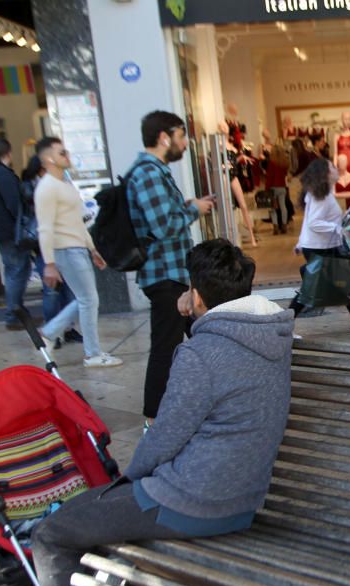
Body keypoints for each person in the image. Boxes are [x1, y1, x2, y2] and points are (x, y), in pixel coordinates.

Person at [31, 238, 293, 586]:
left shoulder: (200, 354)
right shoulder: (273, 336)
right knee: (97, 512)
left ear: (199, 296)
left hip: (189, 502)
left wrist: (130, 478)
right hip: (243, 502)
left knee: (51, 534)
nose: (183, 298)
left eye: (188, 290)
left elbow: (164, 439)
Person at [127, 110, 216, 426]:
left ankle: (217, 395)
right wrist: (194, 210)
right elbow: (164, 226)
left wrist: (189, 205)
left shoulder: (154, 172)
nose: (185, 143)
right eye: (181, 135)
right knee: (167, 347)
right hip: (163, 275)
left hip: (171, 273)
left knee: (204, 333)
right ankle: (153, 419)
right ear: (164, 138)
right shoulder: (148, 174)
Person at [31, 137, 121, 368]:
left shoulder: (65, 184)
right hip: (65, 250)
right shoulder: (47, 187)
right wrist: (49, 263)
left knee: (86, 299)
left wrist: (92, 249)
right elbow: (45, 227)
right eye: (63, 153)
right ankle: (91, 353)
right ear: (49, 158)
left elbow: (77, 221)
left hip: (77, 248)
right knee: (88, 299)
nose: (68, 156)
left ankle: (50, 333)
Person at [288, 157, 350, 332]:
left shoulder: (319, 192)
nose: (337, 170)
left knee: (342, 282)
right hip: (320, 247)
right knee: (315, 288)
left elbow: (308, 221)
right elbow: (313, 222)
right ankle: (284, 322)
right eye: (333, 167)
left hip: (319, 246)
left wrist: (300, 242)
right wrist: (337, 229)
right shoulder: (322, 195)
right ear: (326, 173)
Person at [19, 154, 80, 348]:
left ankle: (66, 330)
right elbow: (43, 223)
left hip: (62, 243)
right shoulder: (37, 188)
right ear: (42, 168)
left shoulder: (57, 185)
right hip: (45, 246)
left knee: (72, 291)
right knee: (52, 291)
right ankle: (51, 332)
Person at [0, 138, 28, 331]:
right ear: (7, 152)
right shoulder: (3, 174)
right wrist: (24, 225)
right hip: (10, 231)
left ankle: (15, 311)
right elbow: (14, 204)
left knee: (11, 270)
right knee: (17, 270)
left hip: (1, 232)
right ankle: (14, 315)